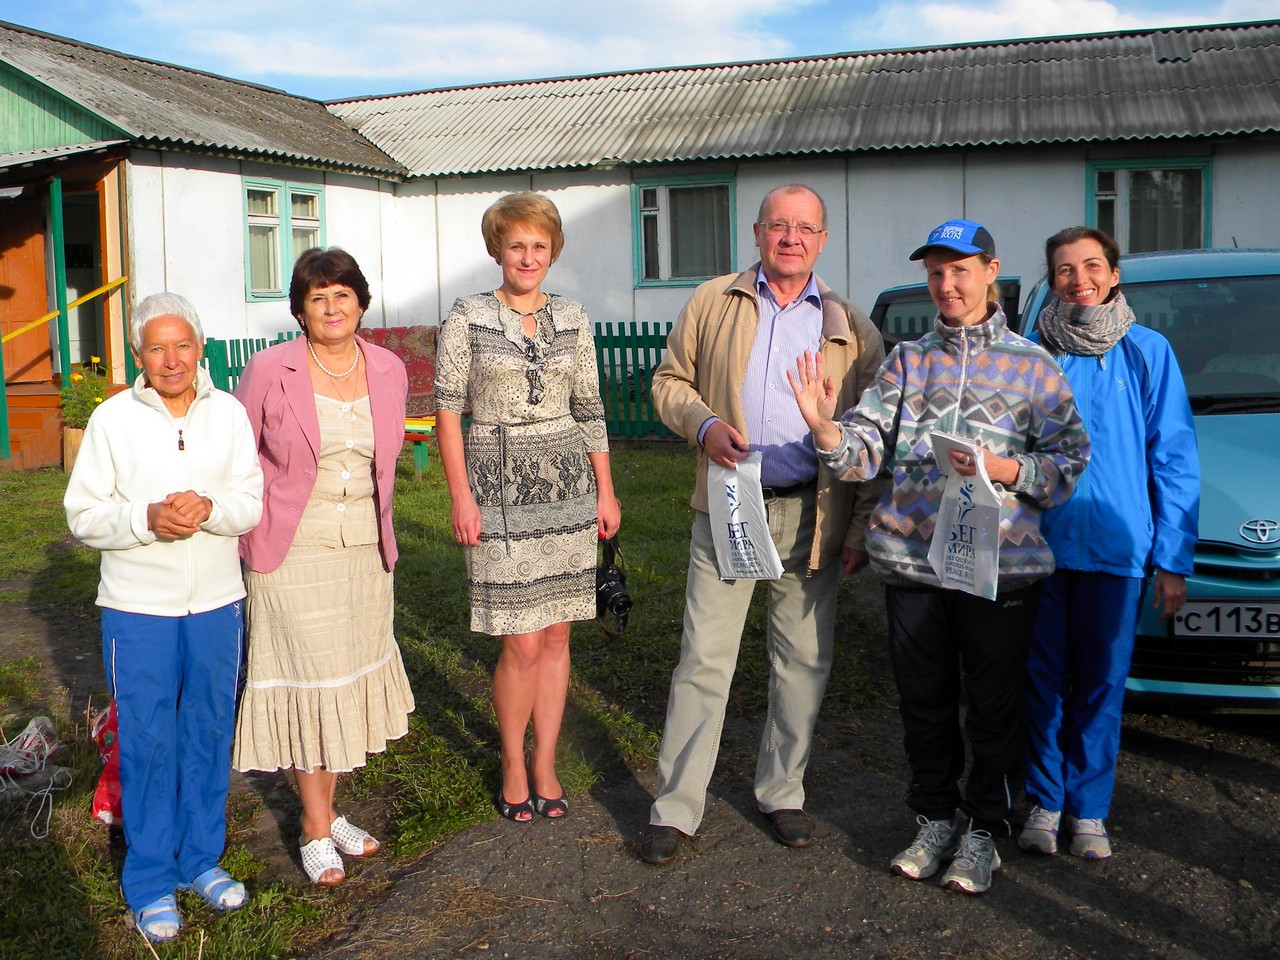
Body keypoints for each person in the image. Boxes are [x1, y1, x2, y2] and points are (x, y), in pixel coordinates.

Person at [788, 218, 1090, 895]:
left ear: (990, 270)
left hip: (1001, 571)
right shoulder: (907, 361)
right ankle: (932, 818)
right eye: (935, 272)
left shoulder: (1033, 366)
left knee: (992, 706)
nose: (946, 284)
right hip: (917, 567)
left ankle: (985, 830)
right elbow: (865, 447)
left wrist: (1006, 471)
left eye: (959, 270)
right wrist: (827, 428)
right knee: (924, 703)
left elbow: (1069, 462)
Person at [640, 183, 886, 866]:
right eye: (778, 225)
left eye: (804, 228)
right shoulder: (714, 300)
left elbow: (872, 432)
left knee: (803, 662)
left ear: (823, 240)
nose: (790, 238)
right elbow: (668, 381)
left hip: (815, 513)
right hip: (730, 504)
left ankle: (783, 791)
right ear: (756, 233)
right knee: (704, 659)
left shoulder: (850, 324)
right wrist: (705, 423)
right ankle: (675, 807)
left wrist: (860, 525)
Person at [65, 293, 263, 942]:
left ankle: (200, 859)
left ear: (200, 346)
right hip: (137, 608)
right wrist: (144, 519)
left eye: (182, 345)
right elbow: (83, 514)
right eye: (156, 347)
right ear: (137, 354)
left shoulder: (228, 414)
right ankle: (150, 880)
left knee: (207, 732)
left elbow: (249, 500)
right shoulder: (112, 420)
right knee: (148, 742)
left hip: (215, 604)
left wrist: (209, 507)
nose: (171, 359)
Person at [232, 247, 415, 886]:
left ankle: (328, 811)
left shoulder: (389, 369)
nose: (332, 307)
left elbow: (387, 464)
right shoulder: (267, 370)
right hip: (292, 549)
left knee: (341, 679)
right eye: (318, 297)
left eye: (343, 294)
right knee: (310, 680)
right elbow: (239, 457)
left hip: (364, 547)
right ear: (300, 310)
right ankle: (314, 828)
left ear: (361, 302)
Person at [435, 192, 619, 824]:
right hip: (499, 490)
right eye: (516, 245)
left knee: (560, 631)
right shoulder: (468, 315)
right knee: (520, 641)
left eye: (539, 246)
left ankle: (546, 761)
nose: (528, 256)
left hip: (568, 484)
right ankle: (513, 761)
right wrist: (461, 494)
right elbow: (447, 409)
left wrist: (607, 490)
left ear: (553, 251)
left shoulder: (573, 317)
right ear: (497, 249)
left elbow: (590, 406)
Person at [1020, 226, 1198, 860]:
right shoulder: (1031, 353)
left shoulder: (1148, 352)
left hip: (1120, 554)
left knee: (1101, 683)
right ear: (1051, 281)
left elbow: (1172, 458)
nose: (1079, 279)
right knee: (1043, 681)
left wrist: (1172, 560)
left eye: (1091, 266)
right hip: (1040, 549)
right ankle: (1043, 801)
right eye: (1064, 269)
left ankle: (1089, 810)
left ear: (1114, 274)